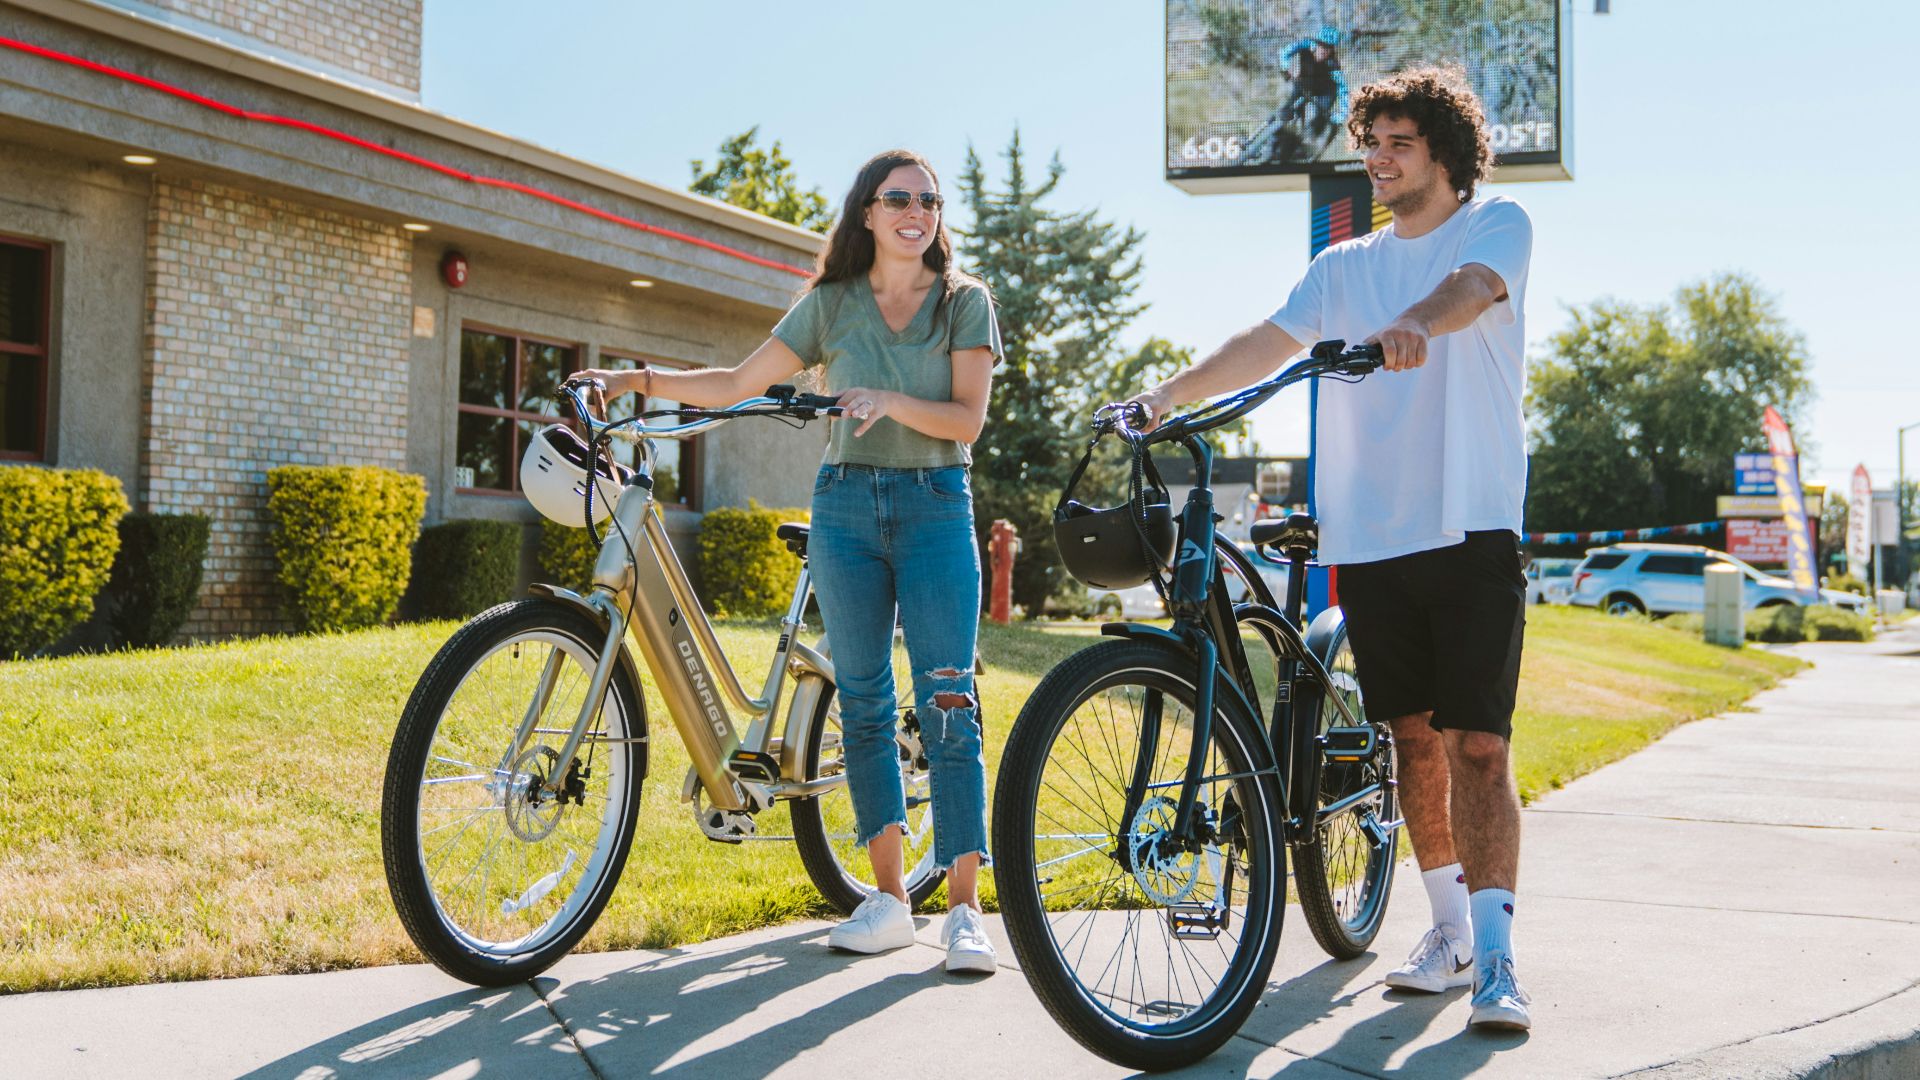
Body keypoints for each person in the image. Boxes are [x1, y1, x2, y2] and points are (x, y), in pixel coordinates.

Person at [1125, 65, 1535, 1031]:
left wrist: (1410, 325)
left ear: (1444, 151)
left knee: (1479, 743)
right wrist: (1164, 396)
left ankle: (1501, 958)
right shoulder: (1342, 265)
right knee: (1412, 741)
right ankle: (1447, 933)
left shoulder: (1494, 223)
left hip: (1472, 521)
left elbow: (1473, 292)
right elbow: (1264, 342)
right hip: (1375, 531)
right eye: (1371, 145)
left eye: (1397, 144)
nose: (1379, 161)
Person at [576, 149, 1002, 975]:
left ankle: (965, 910)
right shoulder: (831, 305)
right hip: (845, 506)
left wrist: (888, 401)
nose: (917, 211)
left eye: (930, 201)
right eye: (899, 198)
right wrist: (636, 376)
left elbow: (968, 420)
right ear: (868, 213)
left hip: (935, 505)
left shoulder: (965, 302)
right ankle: (887, 901)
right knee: (868, 699)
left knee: (950, 697)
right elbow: (738, 379)